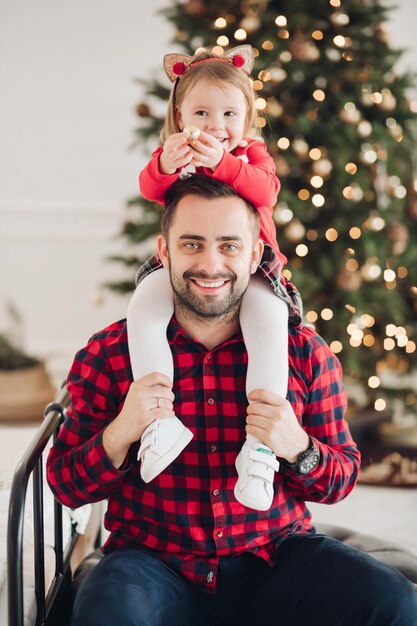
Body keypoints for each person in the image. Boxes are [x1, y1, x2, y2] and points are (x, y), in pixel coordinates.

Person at [47, 176, 417, 626]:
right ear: (164, 252)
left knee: (393, 601)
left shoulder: (303, 352)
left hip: (275, 558)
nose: (210, 264)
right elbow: (66, 485)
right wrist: (120, 432)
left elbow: (341, 479)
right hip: (151, 563)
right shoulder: (110, 353)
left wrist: (299, 448)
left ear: (256, 254)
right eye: (191, 244)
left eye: (228, 246)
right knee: (107, 618)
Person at [128, 45, 301, 511]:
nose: (215, 124)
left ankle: (260, 449)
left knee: (269, 328)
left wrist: (223, 162)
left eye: (229, 113)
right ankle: (160, 420)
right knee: (142, 308)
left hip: (252, 268)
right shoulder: (174, 153)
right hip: (184, 263)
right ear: (180, 114)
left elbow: (265, 189)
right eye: (201, 111)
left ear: (246, 119)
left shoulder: (249, 153)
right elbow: (149, 187)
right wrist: (167, 162)